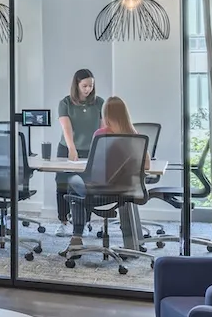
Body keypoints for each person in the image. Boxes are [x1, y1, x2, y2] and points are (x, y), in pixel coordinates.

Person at [65, 94, 150, 240]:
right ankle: (132, 240)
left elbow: (94, 166)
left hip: (100, 190)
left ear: (106, 115)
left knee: (72, 182)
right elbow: (147, 164)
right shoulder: (134, 136)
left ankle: (77, 236)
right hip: (127, 190)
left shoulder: (101, 134)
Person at [55, 68, 103, 234]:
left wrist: (101, 149)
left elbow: (103, 128)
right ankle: (63, 221)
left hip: (91, 150)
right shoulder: (65, 103)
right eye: (84, 86)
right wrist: (71, 148)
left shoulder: (99, 103)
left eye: (90, 86)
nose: (88, 89)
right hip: (68, 148)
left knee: (86, 186)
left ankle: (85, 221)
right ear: (77, 85)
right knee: (63, 183)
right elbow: (66, 128)